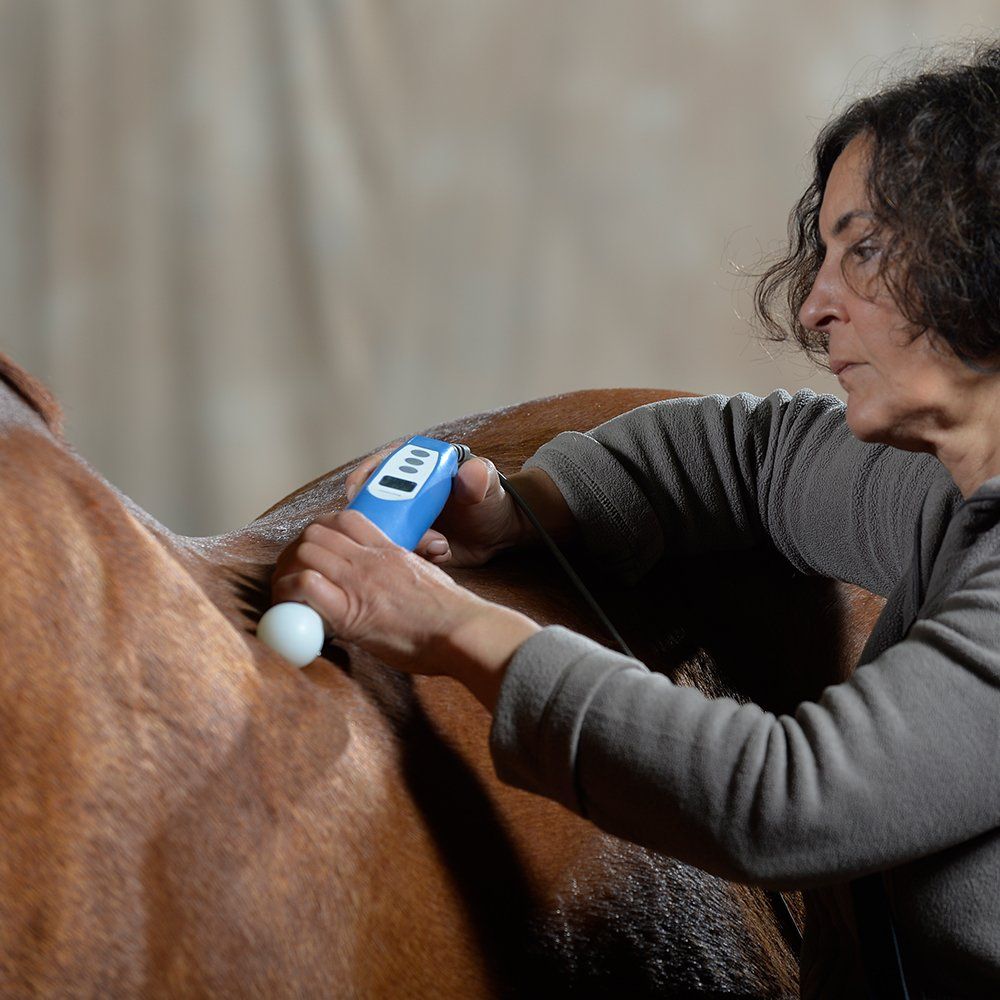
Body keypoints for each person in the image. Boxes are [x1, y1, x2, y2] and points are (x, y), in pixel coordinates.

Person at [271, 44, 1000, 998]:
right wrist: (526, 509)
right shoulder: (949, 491)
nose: (815, 306)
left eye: (861, 251)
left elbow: (785, 799)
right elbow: (756, 455)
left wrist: (448, 624)